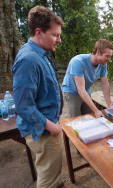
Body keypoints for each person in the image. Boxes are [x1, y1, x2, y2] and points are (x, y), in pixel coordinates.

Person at [12, 6, 64, 188]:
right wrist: (52, 127)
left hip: (48, 126)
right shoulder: (28, 60)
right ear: (38, 32)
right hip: (43, 132)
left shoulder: (40, 54)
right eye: (55, 35)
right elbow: (23, 106)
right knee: (47, 178)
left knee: (52, 170)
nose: (59, 39)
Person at [61, 39, 113, 119]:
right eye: (107, 56)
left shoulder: (103, 64)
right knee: (76, 119)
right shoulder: (78, 62)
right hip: (72, 91)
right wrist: (96, 110)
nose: (109, 59)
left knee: (89, 116)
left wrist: (109, 105)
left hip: (86, 89)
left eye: (110, 57)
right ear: (98, 52)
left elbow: (105, 84)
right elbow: (80, 89)